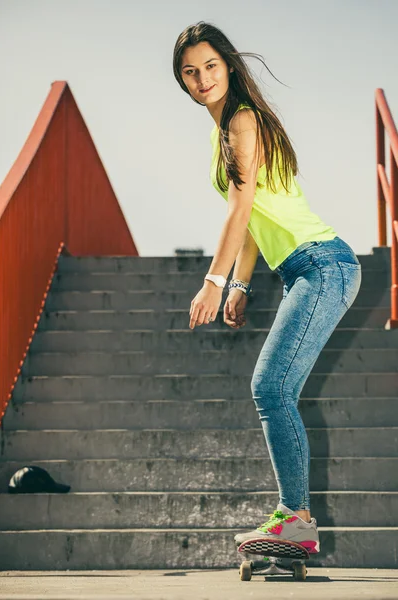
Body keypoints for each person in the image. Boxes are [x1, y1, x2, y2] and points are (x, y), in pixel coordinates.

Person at [173, 21, 362, 555]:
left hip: (323, 263)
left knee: (271, 387)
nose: (202, 78)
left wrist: (212, 282)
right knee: (274, 387)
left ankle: (295, 519)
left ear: (228, 66)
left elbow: (238, 208)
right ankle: (294, 516)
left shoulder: (242, 120)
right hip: (307, 269)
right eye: (190, 72)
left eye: (210, 65)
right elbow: (255, 216)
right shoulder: (225, 132)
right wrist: (240, 284)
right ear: (183, 83)